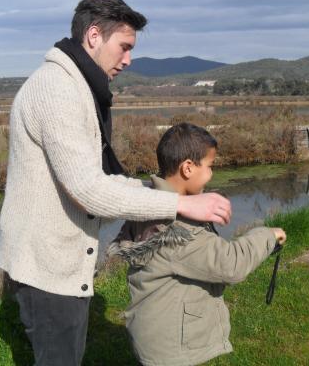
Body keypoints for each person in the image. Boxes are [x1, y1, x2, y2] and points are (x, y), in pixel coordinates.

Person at [0, 0, 232, 365]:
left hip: (58, 262)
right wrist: (182, 202)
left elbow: (102, 178)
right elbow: (89, 191)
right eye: (124, 47)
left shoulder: (78, 86)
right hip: (47, 268)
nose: (128, 59)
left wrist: (151, 190)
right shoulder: (56, 89)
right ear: (94, 35)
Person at [109, 122, 287, 366]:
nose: (212, 174)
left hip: (153, 331)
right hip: (172, 348)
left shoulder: (149, 201)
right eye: (210, 166)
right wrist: (268, 235)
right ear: (188, 168)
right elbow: (231, 264)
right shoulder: (178, 230)